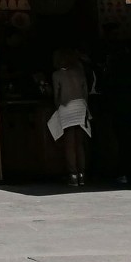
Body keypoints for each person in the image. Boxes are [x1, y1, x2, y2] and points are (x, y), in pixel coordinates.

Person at [48, 48, 92, 188]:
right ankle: (82, 175)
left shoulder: (57, 75)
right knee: (80, 143)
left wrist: (58, 106)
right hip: (81, 105)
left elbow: (57, 95)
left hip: (66, 106)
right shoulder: (79, 73)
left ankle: (72, 175)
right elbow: (85, 92)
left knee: (69, 143)